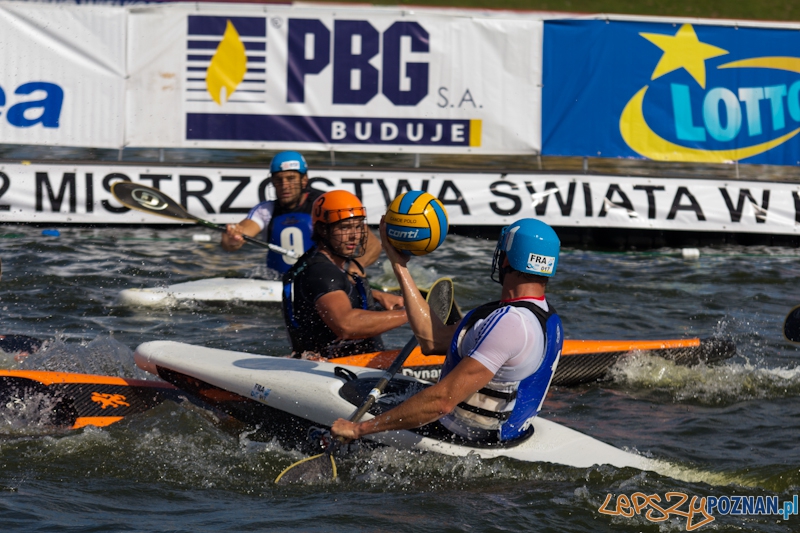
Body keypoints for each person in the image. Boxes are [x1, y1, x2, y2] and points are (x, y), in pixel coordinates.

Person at [331, 218, 564, 443]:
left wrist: (359, 429)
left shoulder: (510, 323)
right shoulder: (546, 317)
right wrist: (398, 265)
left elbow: (442, 401)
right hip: (504, 435)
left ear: (506, 261)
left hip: (464, 438)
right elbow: (433, 341)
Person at [282, 190, 409, 358]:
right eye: (345, 227)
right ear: (323, 230)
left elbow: (333, 294)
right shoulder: (321, 272)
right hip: (331, 370)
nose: (354, 236)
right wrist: (410, 314)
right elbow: (346, 324)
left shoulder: (330, 265)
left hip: (353, 363)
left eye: (358, 227)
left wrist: (376, 295)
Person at [221, 151, 381, 276]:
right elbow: (236, 239)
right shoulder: (265, 210)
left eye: (291, 179)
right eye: (279, 180)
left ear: (304, 180)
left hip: (326, 280)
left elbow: (373, 245)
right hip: (279, 281)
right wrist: (233, 238)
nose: (285, 185)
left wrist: (356, 266)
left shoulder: (326, 205)